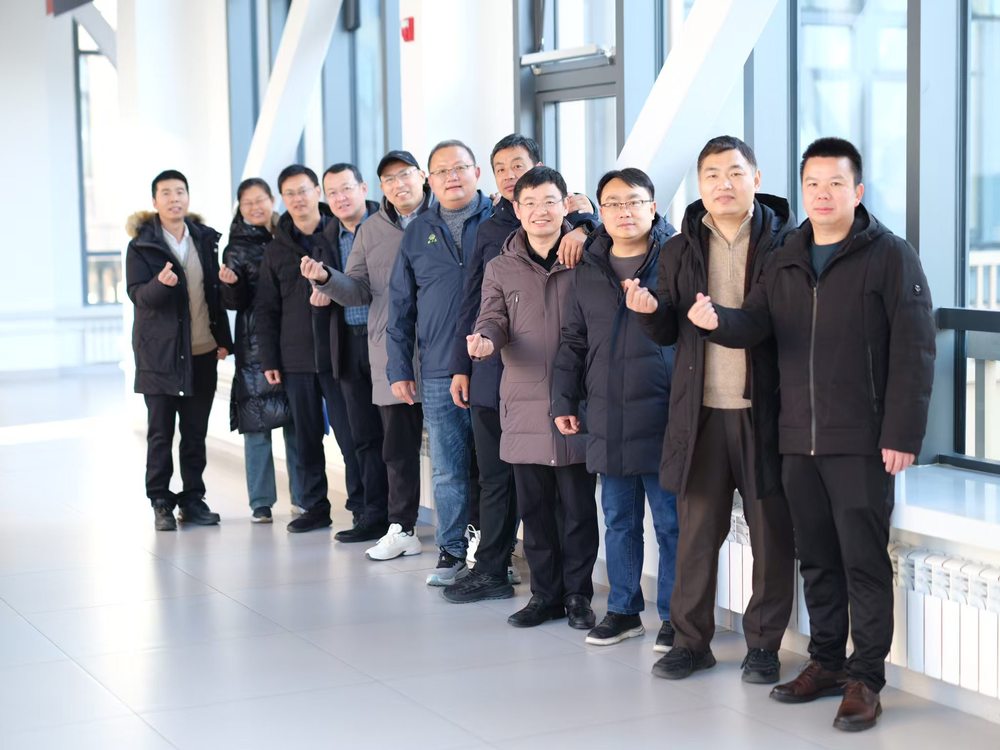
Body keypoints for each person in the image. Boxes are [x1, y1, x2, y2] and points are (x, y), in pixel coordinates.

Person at [685, 137, 935, 732]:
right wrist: (717, 322)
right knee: (817, 560)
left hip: (862, 441)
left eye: (835, 184)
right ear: (802, 190)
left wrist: (902, 433)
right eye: (813, 184)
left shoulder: (890, 255)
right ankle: (825, 662)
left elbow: (916, 350)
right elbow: (756, 323)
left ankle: (864, 679)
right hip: (796, 438)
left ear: (858, 191)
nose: (823, 195)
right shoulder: (788, 255)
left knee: (863, 562)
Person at [625, 136, 798, 682]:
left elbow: (774, 322)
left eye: (734, 173)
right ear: (699, 184)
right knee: (696, 535)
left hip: (764, 411)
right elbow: (670, 327)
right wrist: (648, 312)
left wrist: (719, 320)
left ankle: (763, 646)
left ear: (756, 178)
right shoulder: (681, 247)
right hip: (700, 412)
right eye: (712, 175)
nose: (724, 184)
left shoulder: (785, 243)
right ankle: (690, 642)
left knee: (772, 537)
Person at [444, 133, 596, 603]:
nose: (538, 210)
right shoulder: (500, 257)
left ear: (563, 202)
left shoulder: (587, 249)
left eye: (549, 201)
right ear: (515, 205)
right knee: (528, 503)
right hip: (518, 393)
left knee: (575, 507)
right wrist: (479, 345)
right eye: (529, 202)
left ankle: (576, 597)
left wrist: (588, 223)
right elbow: (485, 311)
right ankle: (537, 593)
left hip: (575, 395)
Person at [552, 167, 680, 647]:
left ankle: (676, 617)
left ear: (653, 206)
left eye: (634, 201)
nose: (625, 211)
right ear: (600, 211)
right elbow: (574, 338)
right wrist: (564, 398)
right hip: (606, 410)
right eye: (614, 203)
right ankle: (624, 610)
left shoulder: (677, 258)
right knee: (620, 521)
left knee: (671, 524)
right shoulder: (589, 265)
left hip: (665, 411)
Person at [302, 150, 432, 560]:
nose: (398, 184)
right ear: (380, 187)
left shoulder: (442, 217)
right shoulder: (372, 229)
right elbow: (357, 288)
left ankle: (466, 537)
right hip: (391, 352)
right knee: (396, 448)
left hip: (443, 351)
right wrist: (326, 278)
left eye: (404, 175)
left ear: (422, 176)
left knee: (457, 452)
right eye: (389, 179)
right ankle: (401, 526)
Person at [386, 140, 493, 586]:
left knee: (494, 469)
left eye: (460, 168)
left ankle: (494, 554)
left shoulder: (500, 220)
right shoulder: (418, 231)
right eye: (442, 171)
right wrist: (398, 368)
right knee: (448, 468)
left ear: (477, 173)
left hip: (495, 365)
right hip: (436, 368)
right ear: (430, 180)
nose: (452, 177)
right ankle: (450, 552)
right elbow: (399, 305)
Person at [255, 164, 364, 534]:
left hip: (338, 350)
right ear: (282, 200)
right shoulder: (275, 249)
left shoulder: (337, 234)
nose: (298, 199)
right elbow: (266, 309)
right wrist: (269, 358)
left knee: (351, 435)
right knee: (306, 438)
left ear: (318, 191)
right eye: (290, 194)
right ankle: (314, 506)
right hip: (296, 357)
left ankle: (361, 505)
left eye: (304, 190)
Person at [125, 169, 233, 530]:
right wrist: (160, 284)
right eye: (166, 193)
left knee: (195, 433)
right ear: (154, 201)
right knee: (160, 434)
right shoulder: (141, 246)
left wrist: (223, 339)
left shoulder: (204, 239)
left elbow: (212, 294)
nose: (174, 199)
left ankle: (192, 500)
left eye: (180, 192)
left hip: (202, 353)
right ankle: (160, 501)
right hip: (160, 356)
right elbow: (138, 296)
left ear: (188, 197)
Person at [305, 163, 388, 544]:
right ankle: (372, 514)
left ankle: (399, 516)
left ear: (363, 188)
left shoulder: (387, 225)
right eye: (332, 192)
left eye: (346, 189)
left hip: (387, 341)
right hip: (348, 343)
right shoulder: (325, 238)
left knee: (395, 435)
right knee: (362, 435)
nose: (340, 198)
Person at [219, 177, 302, 523]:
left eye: (260, 200)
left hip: (293, 337)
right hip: (254, 343)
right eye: (247, 202)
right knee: (257, 423)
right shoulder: (235, 248)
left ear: (273, 200)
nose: (255, 207)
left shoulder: (290, 234)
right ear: (240, 208)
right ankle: (261, 502)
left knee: (297, 422)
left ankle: (304, 497)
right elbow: (234, 302)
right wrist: (231, 286)